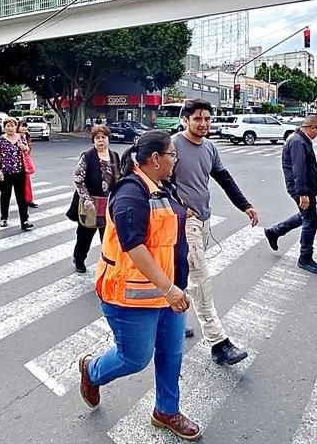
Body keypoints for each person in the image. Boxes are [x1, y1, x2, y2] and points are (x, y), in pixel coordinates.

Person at [78, 131, 201, 440]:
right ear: (156, 159)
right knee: (134, 358)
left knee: (171, 354)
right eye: (172, 154)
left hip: (170, 290)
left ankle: (166, 411)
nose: (176, 159)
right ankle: (92, 371)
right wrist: (169, 289)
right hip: (132, 295)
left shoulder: (161, 186)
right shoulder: (131, 193)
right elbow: (134, 247)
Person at [172, 99, 257, 366]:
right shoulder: (172, 145)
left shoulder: (209, 147)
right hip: (183, 223)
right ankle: (219, 343)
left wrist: (245, 205)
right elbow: (155, 179)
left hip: (204, 220)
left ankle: (173, 319)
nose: (204, 124)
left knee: (183, 275)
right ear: (185, 120)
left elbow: (224, 178)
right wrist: (179, 205)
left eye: (207, 119)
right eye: (198, 119)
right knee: (201, 280)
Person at [263, 114, 317, 275]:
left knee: (304, 216)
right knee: (311, 222)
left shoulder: (300, 139)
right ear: (312, 128)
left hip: (303, 187)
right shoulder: (298, 141)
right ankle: (305, 258)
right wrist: (303, 193)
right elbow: (299, 168)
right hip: (300, 188)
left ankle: (274, 231)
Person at [66, 124, 120, 273]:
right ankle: (79, 258)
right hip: (90, 203)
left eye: (103, 137)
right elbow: (78, 179)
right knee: (85, 235)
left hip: (108, 203)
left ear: (108, 139)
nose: (101, 140)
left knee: (108, 236)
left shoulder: (114, 156)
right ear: (93, 140)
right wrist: (87, 199)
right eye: (97, 138)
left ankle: (108, 263)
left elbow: (119, 177)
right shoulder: (88, 156)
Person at [0, 117, 33, 230]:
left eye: (12, 125)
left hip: (20, 172)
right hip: (5, 172)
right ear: (4, 127)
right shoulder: (0, 140)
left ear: (16, 127)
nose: (10, 128)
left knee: (21, 198)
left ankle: (24, 221)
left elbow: (27, 149)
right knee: (5, 196)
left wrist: (24, 147)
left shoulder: (21, 137)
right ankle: (4, 218)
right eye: (8, 126)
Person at [16, 120, 40, 209]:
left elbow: (28, 150)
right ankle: (25, 200)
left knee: (27, 182)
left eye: (25, 126)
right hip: (18, 163)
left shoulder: (25, 136)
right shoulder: (16, 137)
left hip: (25, 161)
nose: (24, 128)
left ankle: (28, 200)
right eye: (22, 126)